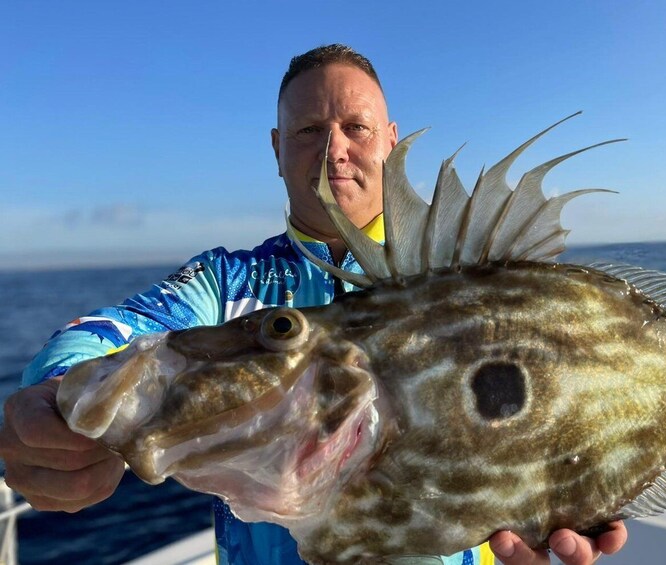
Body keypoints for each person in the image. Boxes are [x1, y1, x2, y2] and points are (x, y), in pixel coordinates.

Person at [0, 44, 627, 565]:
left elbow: (569, 382)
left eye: (354, 127)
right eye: (307, 130)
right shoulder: (228, 284)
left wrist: (586, 464)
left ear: (389, 140)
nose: (334, 149)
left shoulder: (466, 274)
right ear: (276, 148)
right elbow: (108, 336)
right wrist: (56, 396)